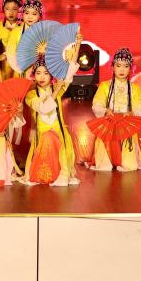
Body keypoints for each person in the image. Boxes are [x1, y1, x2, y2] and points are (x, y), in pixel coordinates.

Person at [23, 38, 82, 187]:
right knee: (47, 138)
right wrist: (56, 91)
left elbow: (70, 70)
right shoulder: (31, 95)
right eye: (38, 73)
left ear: (52, 75)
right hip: (42, 133)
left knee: (55, 140)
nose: (42, 77)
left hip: (58, 131)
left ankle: (59, 174)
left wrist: (78, 45)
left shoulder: (58, 87)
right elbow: (43, 108)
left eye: (46, 73)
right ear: (34, 75)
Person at [90, 47, 141, 172]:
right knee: (105, 134)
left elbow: (139, 106)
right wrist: (105, 110)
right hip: (109, 120)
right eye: (118, 65)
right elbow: (97, 104)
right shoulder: (105, 86)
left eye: (126, 66)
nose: (122, 70)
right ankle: (107, 161)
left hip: (126, 121)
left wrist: (131, 112)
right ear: (112, 67)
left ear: (130, 68)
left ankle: (125, 162)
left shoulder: (135, 88)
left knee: (128, 135)